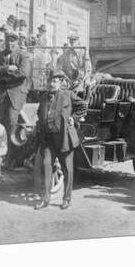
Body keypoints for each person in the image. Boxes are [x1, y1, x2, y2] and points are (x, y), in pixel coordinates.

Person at [34, 70, 87, 210]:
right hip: (48, 139)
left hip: (64, 138)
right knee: (46, 166)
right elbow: (39, 113)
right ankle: (44, 199)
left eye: (55, 81)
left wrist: (73, 118)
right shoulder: (44, 96)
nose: (51, 84)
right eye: (50, 81)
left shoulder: (68, 95)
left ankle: (66, 199)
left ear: (61, 83)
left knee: (67, 169)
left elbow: (83, 106)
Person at [0, 31, 31, 167]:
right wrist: (8, 68)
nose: (10, 43)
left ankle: (12, 158)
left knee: (11, 122)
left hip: (16, 93)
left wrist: (3, 77)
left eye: (13, 41)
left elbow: (23, 73)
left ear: (17, 42)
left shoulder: (23, 55)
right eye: (8, 41)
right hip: (2, 93)